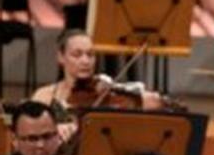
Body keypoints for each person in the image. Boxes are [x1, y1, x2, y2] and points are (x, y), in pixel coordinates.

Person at [31, 29, 163, 127]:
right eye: (77, 55)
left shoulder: (104, 91)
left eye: (90, 55)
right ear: (61, 57)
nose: (85, 61)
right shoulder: (45, 95)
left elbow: (152, 102)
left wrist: (150, 99)